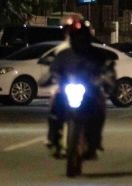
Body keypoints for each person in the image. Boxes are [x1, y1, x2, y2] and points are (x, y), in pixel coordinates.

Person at [47, 15, 115, 160]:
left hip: (90, 90)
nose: (79, 39)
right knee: (54, 104)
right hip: (68, 89)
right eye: (75, 35)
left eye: (81, 35)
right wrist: (50, 79)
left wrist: (107, 80)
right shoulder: (64, 54)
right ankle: (53, 139)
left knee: (100, 106)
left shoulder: (96, 54)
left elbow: (107, 69)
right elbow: (53, 70)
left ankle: (95, 141)